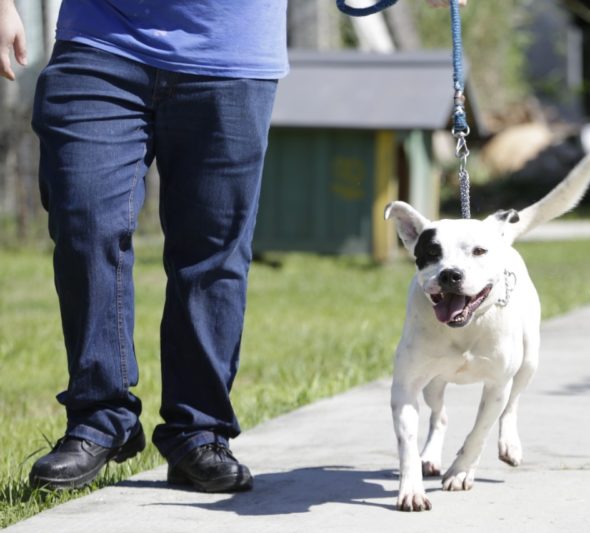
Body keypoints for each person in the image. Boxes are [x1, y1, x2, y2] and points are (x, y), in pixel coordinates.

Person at [0, 0, 463, 493]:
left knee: (213, 254)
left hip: (230, 56)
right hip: (100, 42)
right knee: (83, 221)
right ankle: (98, 419)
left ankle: (197, 431)